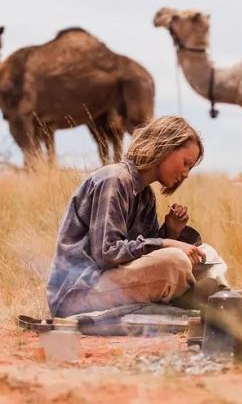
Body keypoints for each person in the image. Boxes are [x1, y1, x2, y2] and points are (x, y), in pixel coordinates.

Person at [46, 116, 229, 317]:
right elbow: (107, 254)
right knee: (175, 260)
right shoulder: (114, 180)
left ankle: (222, 306)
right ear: (164, 147)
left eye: (190, 168)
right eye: (185, 163)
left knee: (207, 254)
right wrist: (167, 243)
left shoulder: (145, 195)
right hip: (79, 292)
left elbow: (145, 255)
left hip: (109, 283)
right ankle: (203, 305)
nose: (185, 174)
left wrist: (171, 231)